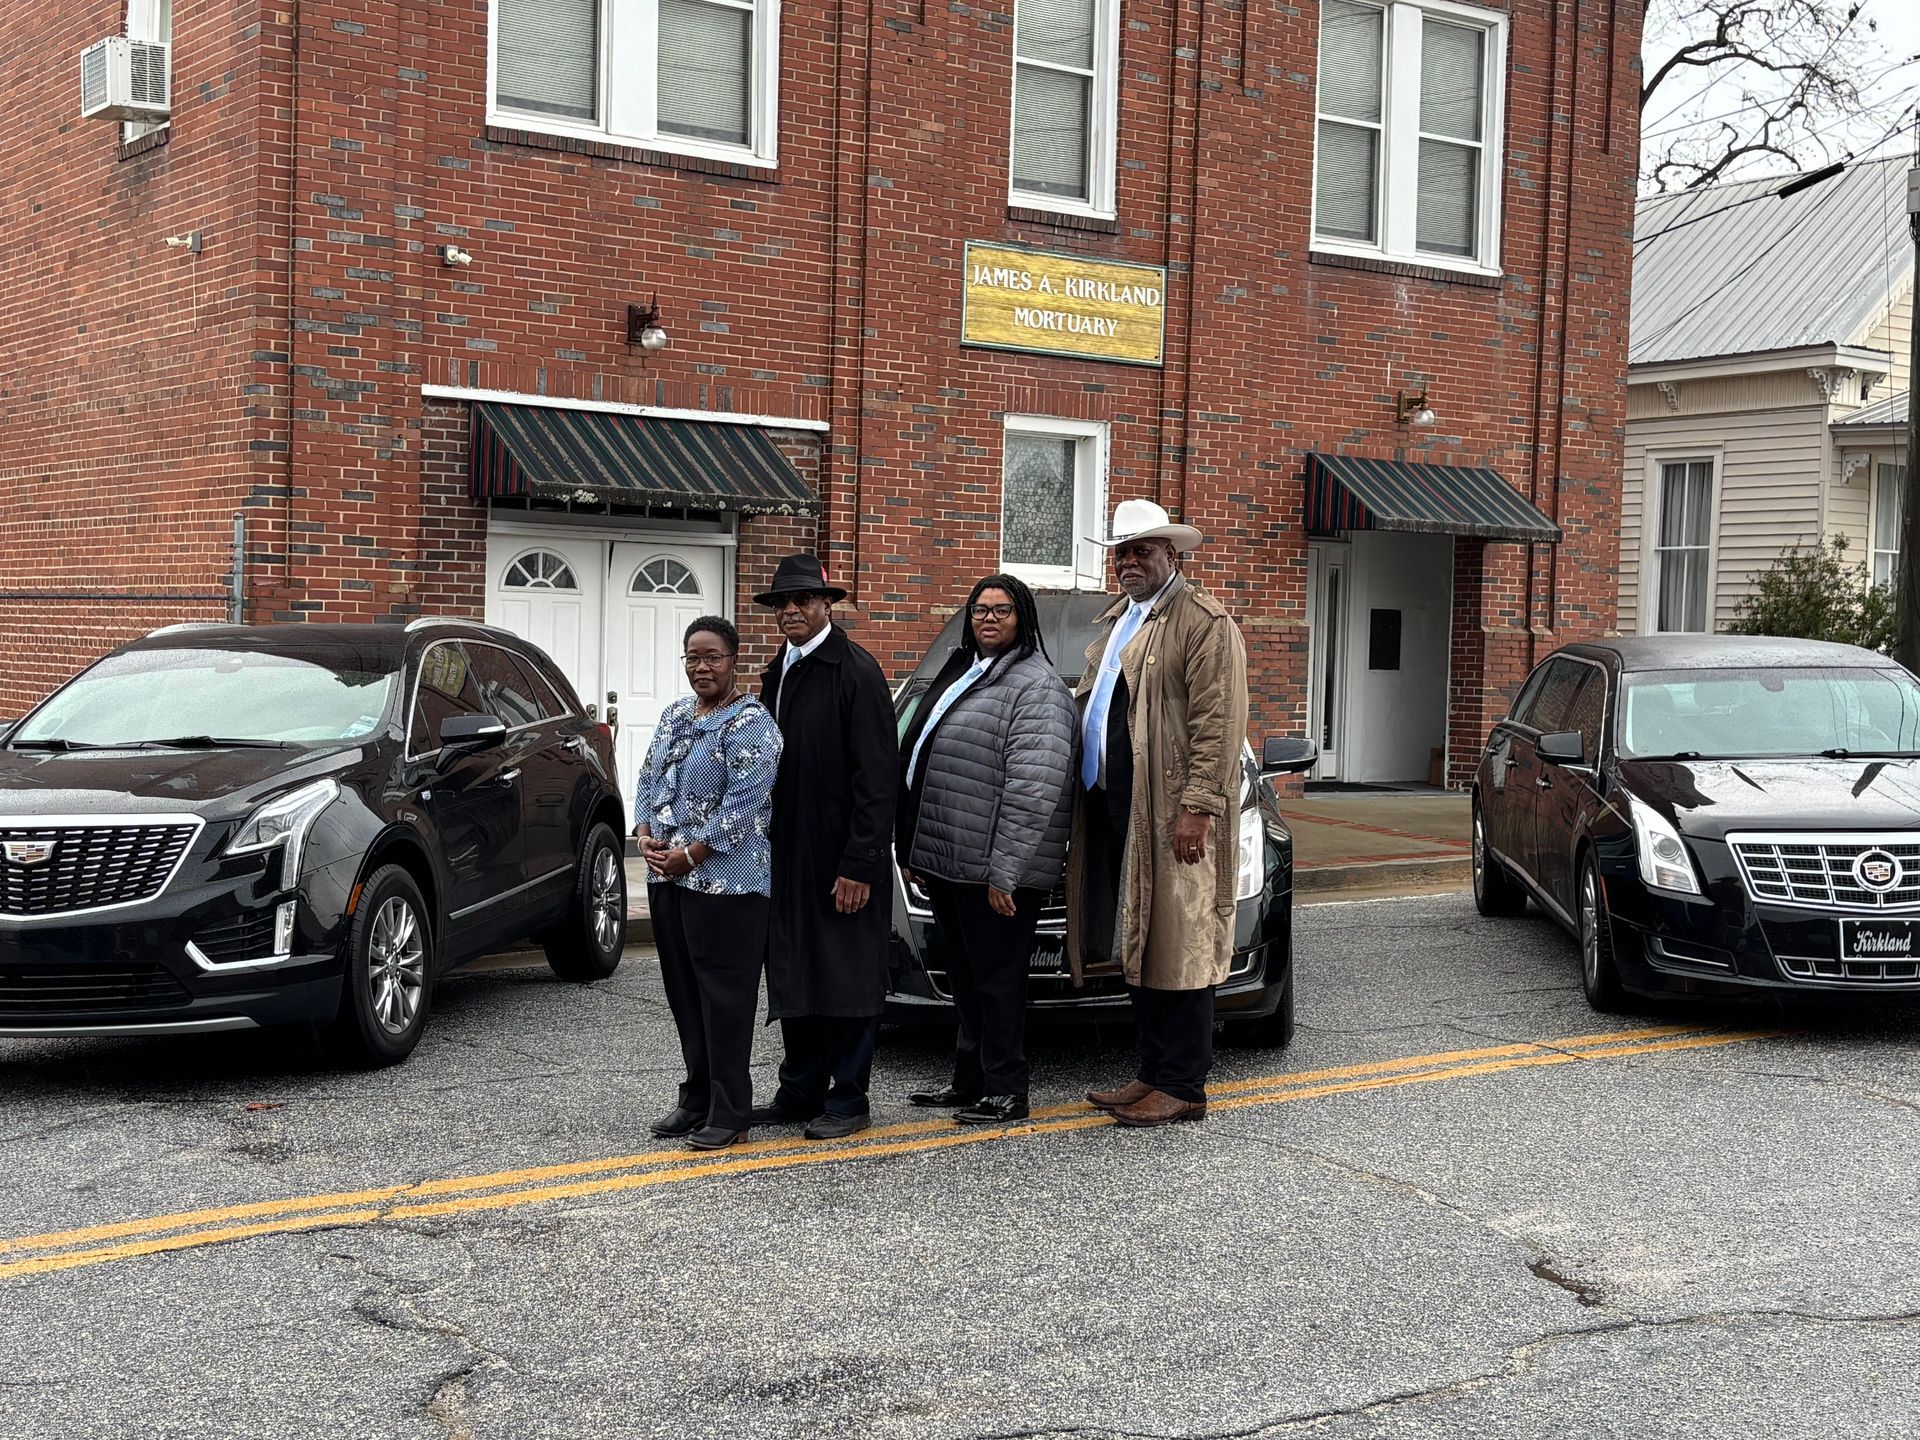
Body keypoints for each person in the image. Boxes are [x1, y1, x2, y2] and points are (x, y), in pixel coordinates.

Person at [1066, 499, 1250, 1128]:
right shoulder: (1123, 618)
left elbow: (1217, 723)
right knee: (1141, 938)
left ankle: (1184, 1086)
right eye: (1122, 551)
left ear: (1174, 554)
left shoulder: (1203, 622)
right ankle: (1151, 1072)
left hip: (1172, 810)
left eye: (1142, 549)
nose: (1129, 561)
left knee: (1184, 941)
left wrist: (1198, 806)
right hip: (1118, 805)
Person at [897, 574, 1076, 1126]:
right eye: (979, 611)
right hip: (954, 862)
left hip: (996, 870)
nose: (989, 619)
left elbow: (1034, 787)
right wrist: (921, 855)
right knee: (969, 982)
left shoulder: (1035, 687)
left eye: (1001, 610)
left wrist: (1007, 873)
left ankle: (1006, 1089)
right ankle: (969, 1081)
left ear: (1022, 617)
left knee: (999, 984)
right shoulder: (969, 672)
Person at [750, 554, 899, 1140]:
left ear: (826, 605)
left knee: (847, 974)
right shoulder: (776, 671)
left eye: (803, 601)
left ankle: (848, 1096)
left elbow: (878, 778)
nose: (791, 611)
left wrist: (861, 862)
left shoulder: (855, 671)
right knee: (797, 969)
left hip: (842, 856)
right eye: (782, 603)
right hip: (787, 852)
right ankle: (800, 1088)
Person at [634, 616, 783, 1153]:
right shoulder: (675, 714)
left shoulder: (752, 725)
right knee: (685, 994)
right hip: (669, 878)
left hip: (728, 884)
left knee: (725, 999)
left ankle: (730, 1112)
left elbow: (745, 806)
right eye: (692, 657)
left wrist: (691, 855)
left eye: (712, 657)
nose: (701, 667)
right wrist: (645, 836)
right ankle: (696, 1097)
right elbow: (649, 776)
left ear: (733, 660)